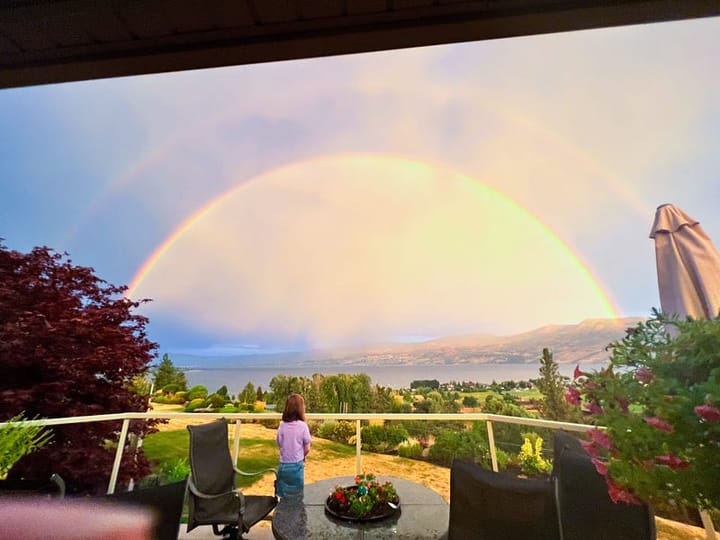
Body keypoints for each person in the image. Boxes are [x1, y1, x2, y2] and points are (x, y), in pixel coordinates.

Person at [276, 393, 311, 498]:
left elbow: (279, 442)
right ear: (301, 409)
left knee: (283, 496)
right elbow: (307, 448)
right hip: (297, 466)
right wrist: (302, 455)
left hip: (283, 466)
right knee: (297, 496)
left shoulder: (282, 425)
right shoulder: (303, 426)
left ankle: (283, 513)